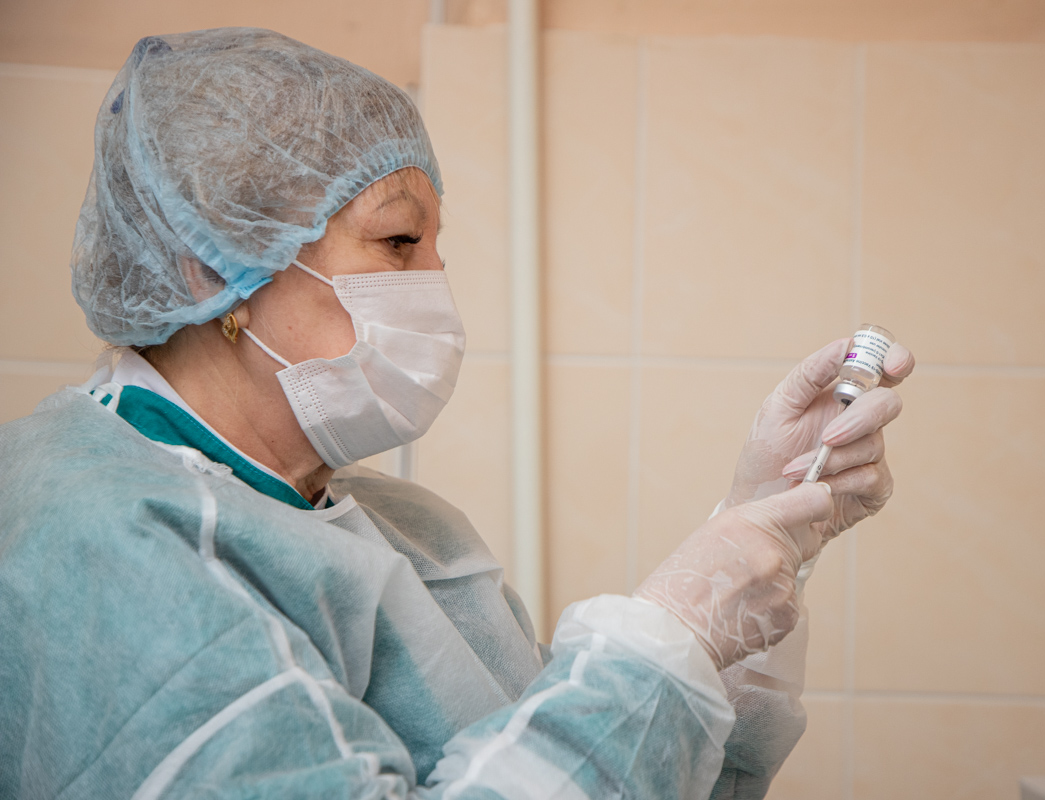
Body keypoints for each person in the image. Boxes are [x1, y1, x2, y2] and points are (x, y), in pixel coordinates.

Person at [0, 28, 914, 800]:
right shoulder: (93, 534)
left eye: (436, 247)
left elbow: (623, 773)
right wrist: (668, 637)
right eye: (399, 241)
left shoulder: (407, 534)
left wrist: (765, 519)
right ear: (210, 264)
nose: (434, 284)